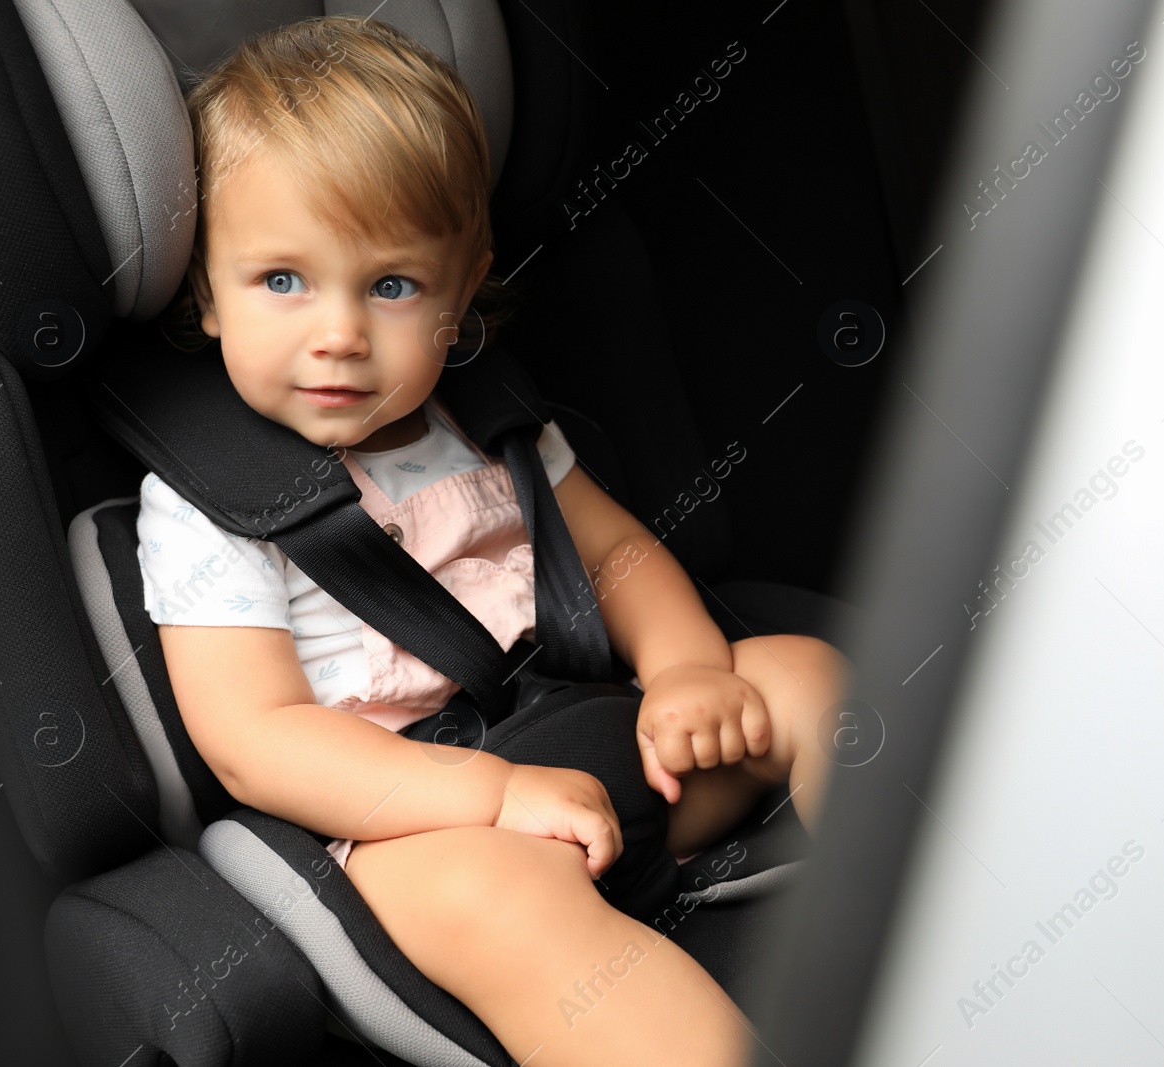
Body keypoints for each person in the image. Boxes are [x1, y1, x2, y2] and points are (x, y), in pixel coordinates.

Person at [137, 15, 848, 1066]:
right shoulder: (207, 502)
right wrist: (490, 795)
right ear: (207, 290)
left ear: (463, 290)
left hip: (603, 750)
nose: (336, 332)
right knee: (494, 898)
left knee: (803, 675)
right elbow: (256, 738)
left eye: (391, 286)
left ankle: (936, 923)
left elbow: (614, 555)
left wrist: (689, 671)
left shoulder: (489, 424)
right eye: (281, 280)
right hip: (413, 818)